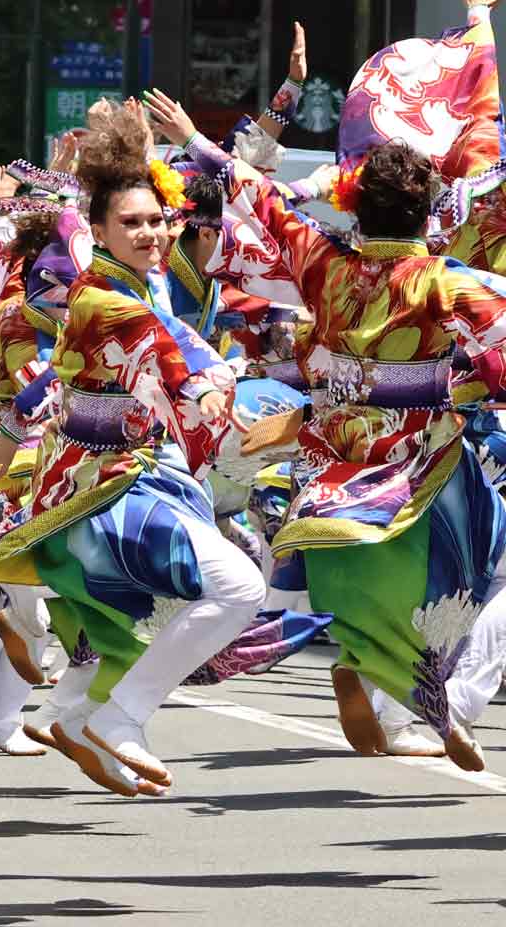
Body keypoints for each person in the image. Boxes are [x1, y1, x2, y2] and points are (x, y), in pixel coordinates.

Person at [147, 79, 506, 772]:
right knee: (460, 561)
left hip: (333, 450)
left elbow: (264, 201)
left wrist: (193, 140)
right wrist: (458, 383)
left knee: (373, 575)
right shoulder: (441, 281)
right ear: (426, 215)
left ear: (356, 207)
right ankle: (410, 696)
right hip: (414, 450)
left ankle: (394, 691)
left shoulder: (323, 262)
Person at [0, 102, 266, 797]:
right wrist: (204, 389)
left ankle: (75, 711)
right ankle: (121, 716)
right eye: (132, 222)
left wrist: (145, 151)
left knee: (145, 614)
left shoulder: (133, 280)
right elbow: (165, 347)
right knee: (240, 586)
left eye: (157, 219)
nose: (151, 231)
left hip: (135, 472)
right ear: (96, 234)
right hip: (108, 489)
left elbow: (62, 375)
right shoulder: (104, 297)